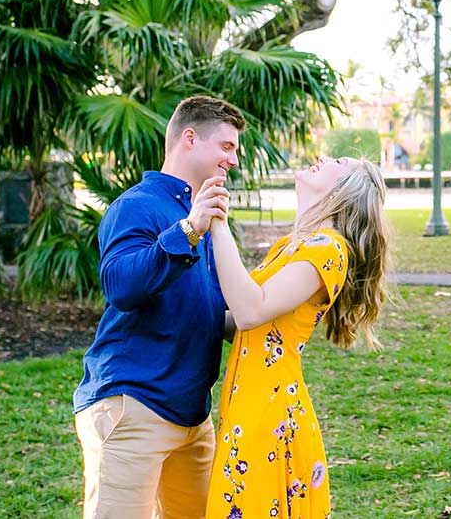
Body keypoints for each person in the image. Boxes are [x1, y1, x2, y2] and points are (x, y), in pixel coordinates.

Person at [72, 95, 245, 519]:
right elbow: (121, 286)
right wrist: (188, 231)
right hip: (133, 405)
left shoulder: (203, 214)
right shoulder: (136, 205)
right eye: (227, 146)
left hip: (193, 415)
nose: (234, 160)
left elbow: (213, 310)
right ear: (190, 138)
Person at [204, 155, 393, 519]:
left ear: (344, 189)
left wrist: (218, 226)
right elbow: (243, 324)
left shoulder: (329, 250)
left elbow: (250, 310)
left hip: (271, 414)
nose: (321, 157)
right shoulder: (290, 246)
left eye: (337, 161)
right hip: (248, 405)